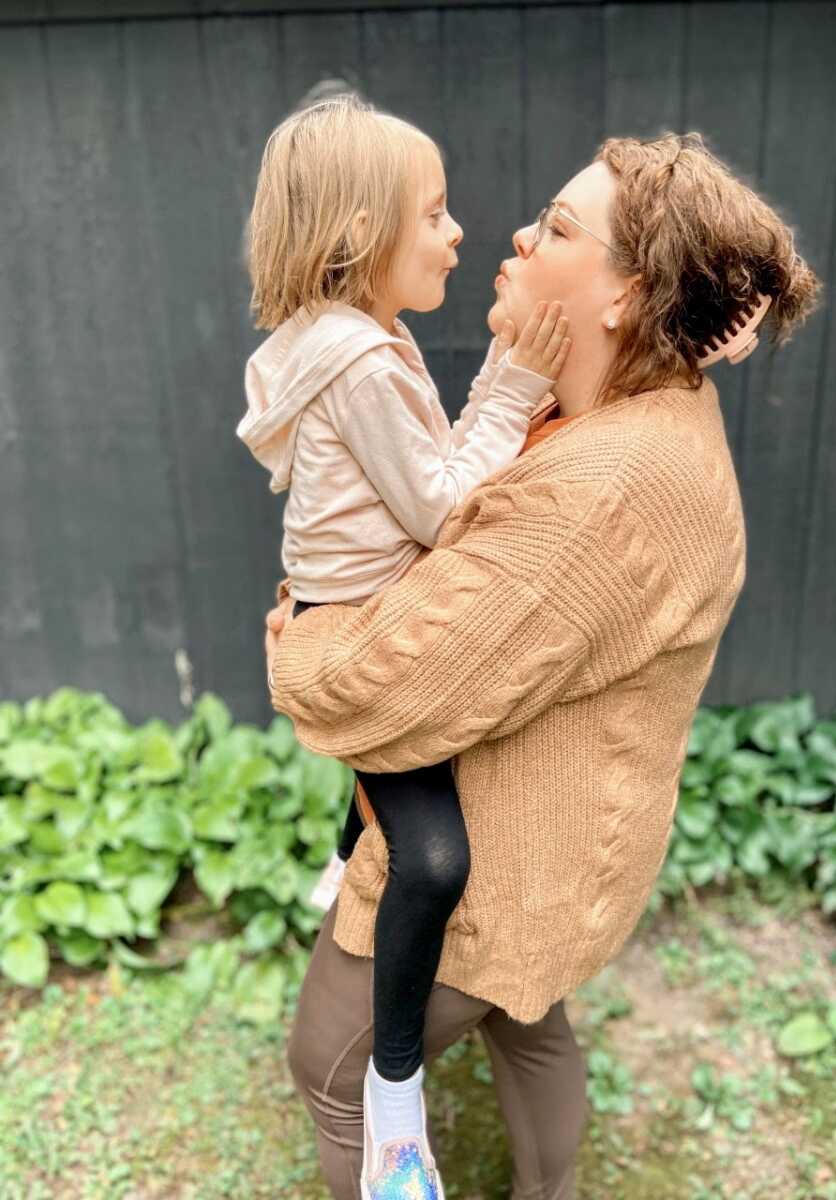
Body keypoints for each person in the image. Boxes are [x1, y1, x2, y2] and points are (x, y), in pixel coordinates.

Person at [264, 131, 821, 1199]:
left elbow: (375, 682)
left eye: (559, 228)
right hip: (570, 849)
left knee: (330, 1072)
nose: (514, 235)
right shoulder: (640, 413)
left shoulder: (602, 492)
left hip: (500, 873)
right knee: (530, 1025)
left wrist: (298, 632)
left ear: (627, 294)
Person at [237, 94, 570, 1200]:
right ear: (361, 235)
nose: (458, 231)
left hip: (362, 615)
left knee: (412, 813)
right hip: (368, 640)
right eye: (434, 212)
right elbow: (441, 511)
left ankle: (347, 839)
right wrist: (519, 379)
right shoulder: (364, 359)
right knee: (435, 860)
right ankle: (391, 1095)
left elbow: (416, 498)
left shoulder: (359, 337)